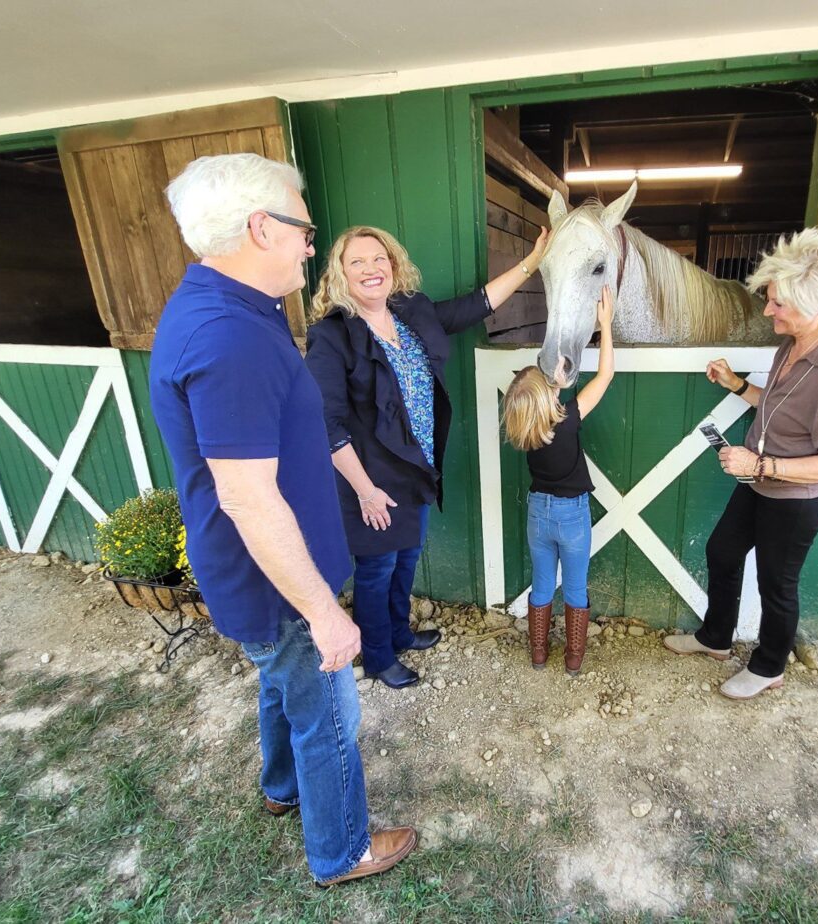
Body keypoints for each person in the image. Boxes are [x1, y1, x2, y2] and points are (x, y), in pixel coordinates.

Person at [149, 153, 416, 885]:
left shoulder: (230, 307)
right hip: (277, 582)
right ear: (261, 228)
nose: (310, 242)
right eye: (303, 227)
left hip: (262, 577)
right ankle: (343, 851)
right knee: (329, 715)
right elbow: (248, 498)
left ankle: (280, 789)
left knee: (281, 683)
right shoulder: (227, 337)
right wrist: (324, 611)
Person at [305, 224, 548, 688]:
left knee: (407, 558)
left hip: (415, 467)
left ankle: (397, 632)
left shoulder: (410, 312)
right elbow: (328, 426)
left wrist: (532, 261)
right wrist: (365, 491)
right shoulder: (332, 336)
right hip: (368, 477)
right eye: (357, 262)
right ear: (340, 274)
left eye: (378, 259)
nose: (370, 269)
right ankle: (377, 657)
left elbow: (475, 305)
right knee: (376, 570)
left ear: (393, 264)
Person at [663, 228, 818, 700]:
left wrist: (762, 466)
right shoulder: (791, 345)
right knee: (722, 550)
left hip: (797, 497)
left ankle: (769, 666)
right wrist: (736, 384)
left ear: (815, 307)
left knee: (777, 583)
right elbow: (777, 407)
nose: (768, 310)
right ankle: (715, 639)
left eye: (779, 303)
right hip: (761, 481)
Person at [502, 286, 614, 675]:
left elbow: (540, 401)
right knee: (576, 587)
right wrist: (605, 326)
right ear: (552, 397)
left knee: (543, 582)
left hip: (539, 514)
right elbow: (606, 374)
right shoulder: (566, 422)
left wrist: (553, 387)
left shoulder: (526, 432)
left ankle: (537, 653)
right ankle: (573, 658)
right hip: (572, 516)